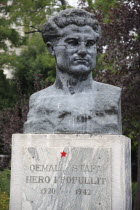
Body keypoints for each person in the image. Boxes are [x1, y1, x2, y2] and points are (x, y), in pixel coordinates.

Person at [24, 9, 122, 134]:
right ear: (51, 48)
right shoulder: (38, 101)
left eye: (90, 43)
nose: (83, 51)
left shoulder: (111, 96)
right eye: (73, 43)